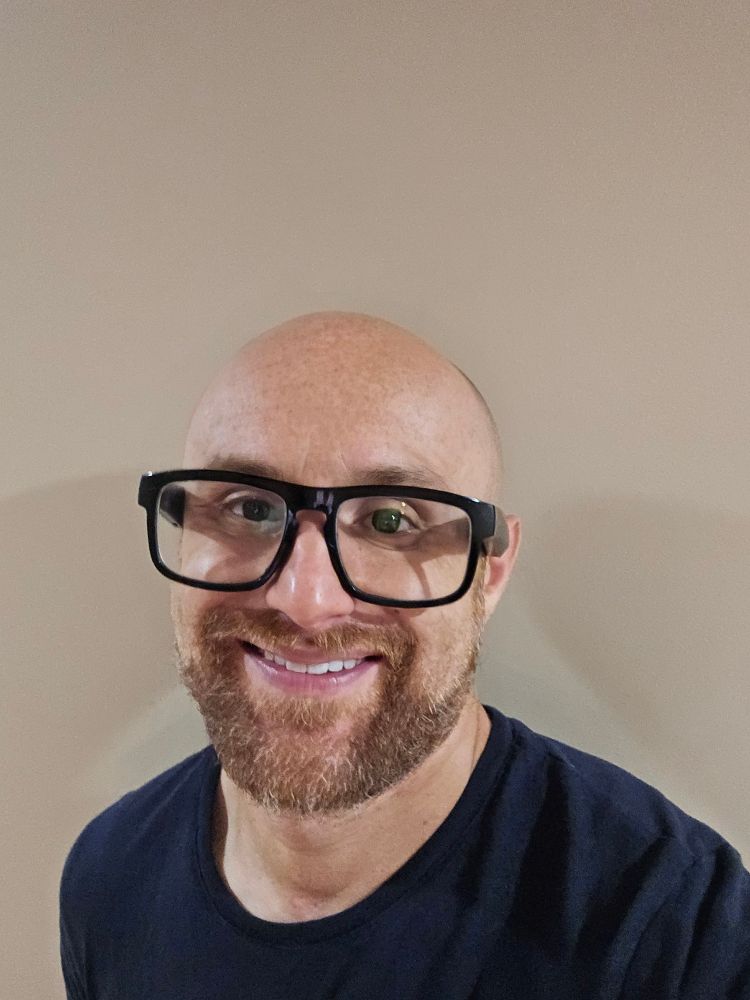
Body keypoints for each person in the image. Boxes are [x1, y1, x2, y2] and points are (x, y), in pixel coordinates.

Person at [60, 312, 750, 999]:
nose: (306, 600)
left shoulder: (671, 927)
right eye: (248, 508)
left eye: (392, 520)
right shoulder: (109, 875)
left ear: (491, 571)